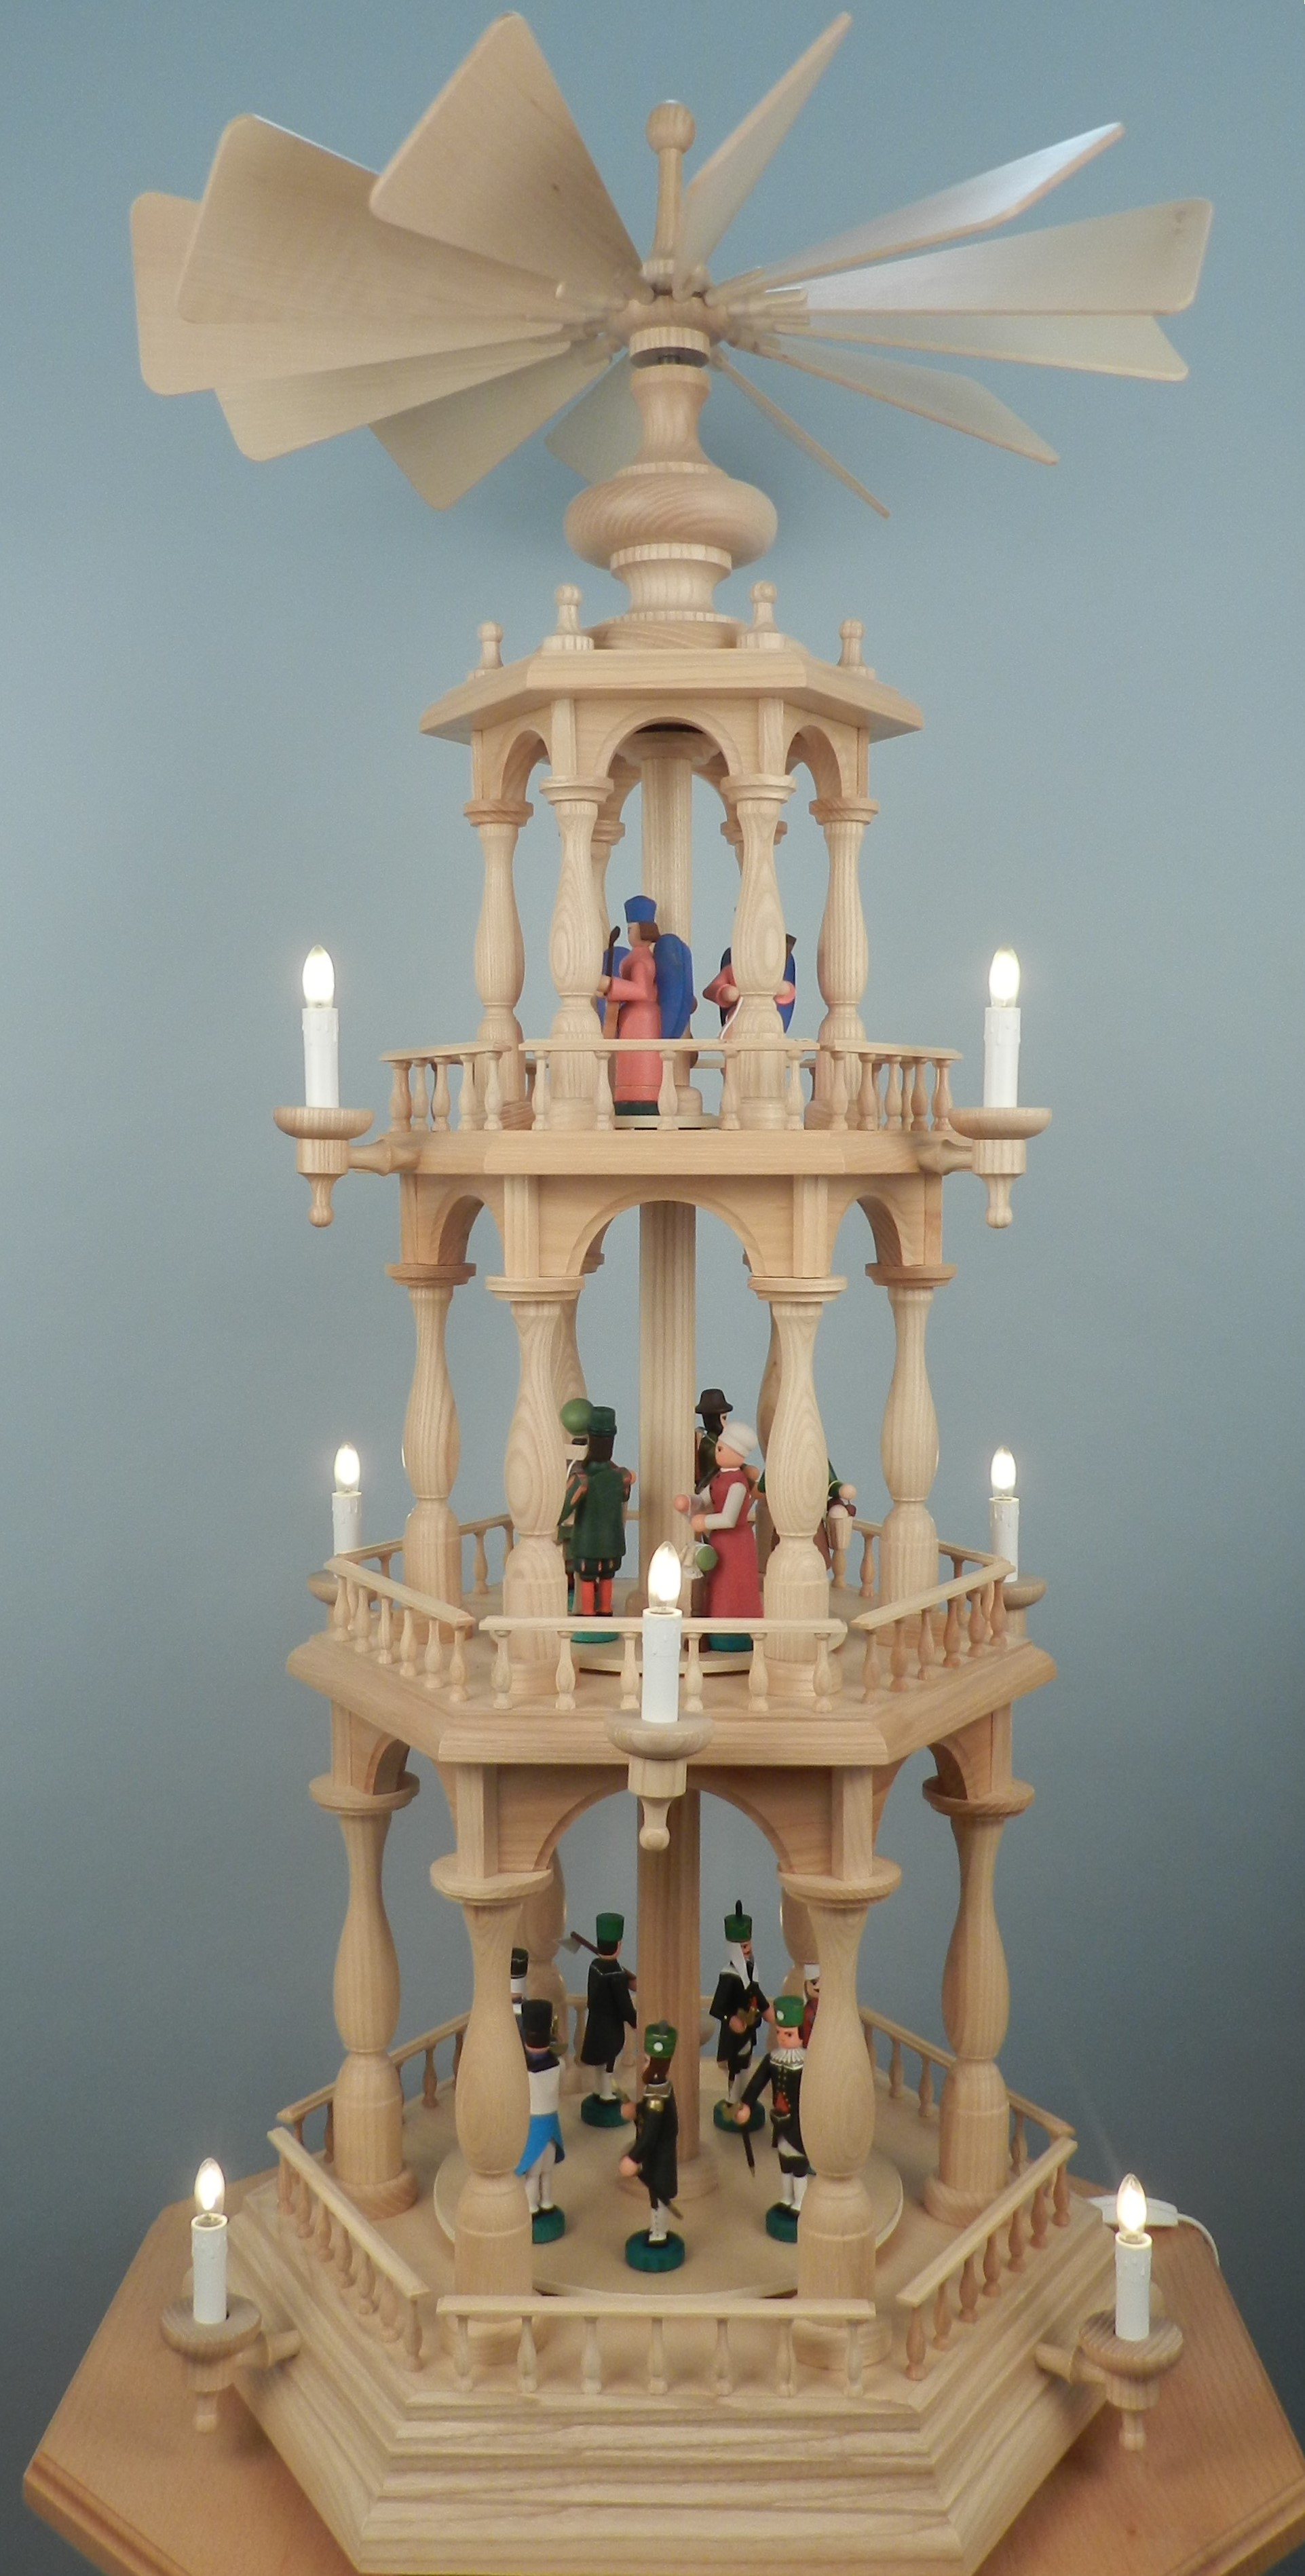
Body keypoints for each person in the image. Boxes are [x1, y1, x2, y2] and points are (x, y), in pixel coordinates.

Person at [675, 1420, 762, 1652]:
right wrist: (688, 1502)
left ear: (738, 1453)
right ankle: (714, 1629)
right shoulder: (718, 1478)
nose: (717, 1451)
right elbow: (704, 1500)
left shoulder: (738, 1484)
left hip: (736, 1544)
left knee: (733, 1586)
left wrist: (704, 1521)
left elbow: (729, 1518)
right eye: (718, 1447)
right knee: (716, 1586)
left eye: (722, 1448)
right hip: (719, 1542)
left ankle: (735, 1635)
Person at [736, 1994, 808, 2237]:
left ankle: (801, 2201)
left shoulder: (808, 2063)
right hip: (780, 2119)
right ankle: (787, 2197)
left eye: (789, 2034)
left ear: (800, 2034)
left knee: (799, 2162)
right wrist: (746, 2105)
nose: (782, 2038)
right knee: (784, 2160)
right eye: (779, 2033)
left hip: (801, 2122)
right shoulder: (773, 2059)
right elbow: (757, 2082)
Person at [556, 1404, 634, 1626]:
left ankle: (589, 1614)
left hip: (588, 1541)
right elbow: (625, 1496)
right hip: (612, 1540)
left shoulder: (582, 1479)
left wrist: (555, 1522)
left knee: (588, 1577)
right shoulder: (620, 1475)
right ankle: (605, 1610)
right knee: (607, 1575)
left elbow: (564, 1509)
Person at [619, 2020, 682, 2266]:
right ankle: (658, 2230)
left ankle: (659, 2233)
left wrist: (633, 2157)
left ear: (656, 2066)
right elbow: (647, 2118)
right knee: (656, 2196)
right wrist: (636, 2110)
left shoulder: (658, 2097)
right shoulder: (657, 2091)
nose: (643, 2066)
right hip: (657, 2156)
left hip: (659, 2157)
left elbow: (650, 2134)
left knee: (658, 2197)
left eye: (646, 2060)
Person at [599, 896, 663, 1116]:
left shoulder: (642, 960)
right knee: (629, 1062)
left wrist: (611, 985)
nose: (629, 934)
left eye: (630, 929)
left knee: (640, 1063)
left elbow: (642, 991)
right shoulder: (639, 957)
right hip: (634, 1018)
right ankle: (629, 1098)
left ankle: (641, 1100)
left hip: (642, 1021)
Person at [708, 1899, 769, 2116]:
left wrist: (767, 2011)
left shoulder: (751, 1970)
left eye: (749, 1944)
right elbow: (717, 2008)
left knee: (746, 2064)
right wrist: (730, 2019)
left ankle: (744, 2098)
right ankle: (733, 2098)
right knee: (735, 2066)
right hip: (735, 2032)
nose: (748, 1950)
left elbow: (755, 1993)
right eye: (743, 1947)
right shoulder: (729, 1977)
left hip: (749, 2027)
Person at [578, 1911, 637, 2125]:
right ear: (618, 1946)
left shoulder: (595, 1966)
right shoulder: (616, 1974)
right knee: (608, 2061)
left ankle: (599, 2089)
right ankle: (606, 2093)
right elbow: (624, 2004)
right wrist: (635, 2021)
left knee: (600, 2061)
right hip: (610, 2026)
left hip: (595, 2021)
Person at [516, 1997, 566, 2239]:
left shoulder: (524, 2070)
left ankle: (531, 2206)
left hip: (534, 2124)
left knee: (533, 2173)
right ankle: (546, 2201)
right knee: (547, 2170)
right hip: (551, 2123)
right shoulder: (559, 2064)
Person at [702, 939, 796, 1036]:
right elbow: (709, 991)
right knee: (737, 1027)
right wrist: (725, 992)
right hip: (740, 1017)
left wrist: (779, 988)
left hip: (768, 1018)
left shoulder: (773, 973)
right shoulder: (732, 970)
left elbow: (788, 992)